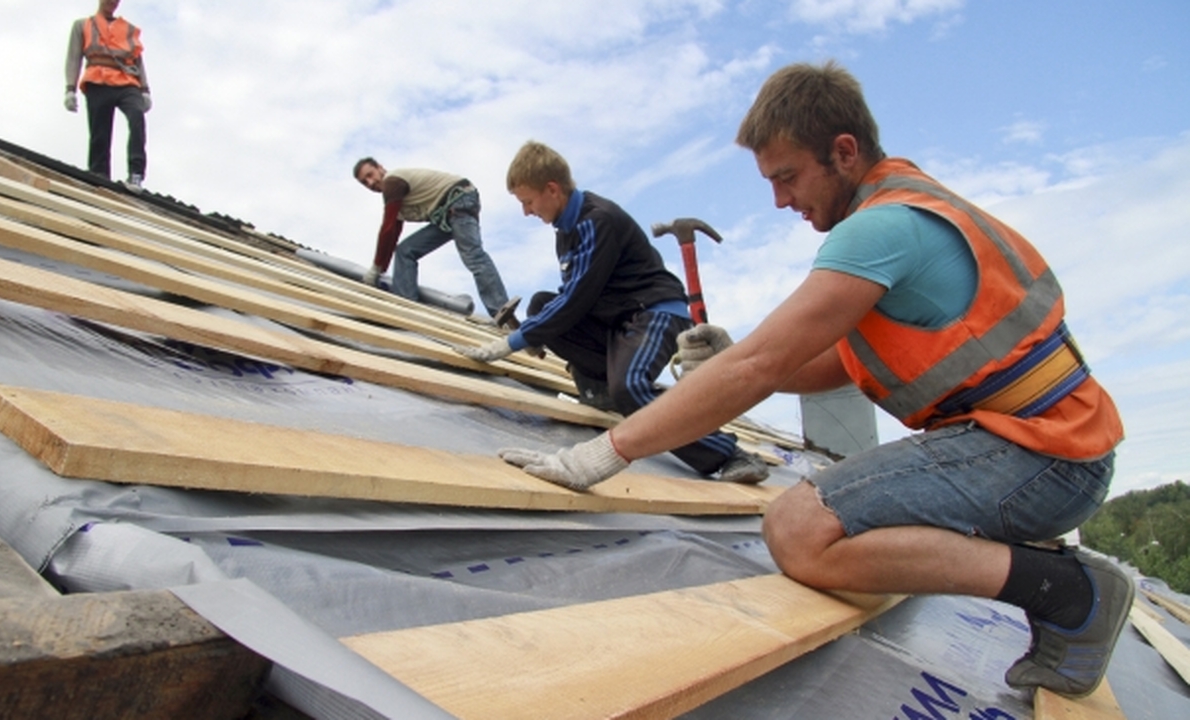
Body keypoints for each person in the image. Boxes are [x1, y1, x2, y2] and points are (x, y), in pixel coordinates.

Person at [497, 63, 1131, 699]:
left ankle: (1069, 593)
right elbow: (832, 363)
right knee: (825, 514)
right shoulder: (908, 202)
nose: (780, 200)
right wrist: (734, 356)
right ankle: (1055, 582)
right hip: (1051, 447)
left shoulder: (879, 229)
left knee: (799, 530)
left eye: (787, 177)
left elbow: (760, 368)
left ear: (844, 152)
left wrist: (606, 453)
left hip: (1041, 457)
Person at [457, 140, 770, 485]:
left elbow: (578, 297)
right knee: (542, 306)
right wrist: (539, 328)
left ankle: (729, 453)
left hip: (656, 314)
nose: (527, 212)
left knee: (631, 387)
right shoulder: (565, 231)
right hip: (619, 322)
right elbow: (569, 299)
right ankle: (605, 390)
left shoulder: (597, 220)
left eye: (528, 202)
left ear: (552, 189)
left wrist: (514, 341)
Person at [352, 158, 510, 318]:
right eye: (365, 182)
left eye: (370, 175)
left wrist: (375, 269)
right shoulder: (397, 201)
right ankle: (407, 307)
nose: (370, 182)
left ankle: (501, 311)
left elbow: (387, 229)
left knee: (473, 255)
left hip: (458, 200)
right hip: (445, 216)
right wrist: (380, 269)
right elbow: (392, 236)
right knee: (405, 251)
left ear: (380, 167)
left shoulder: (392, 182)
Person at [64, 0, 151, 191]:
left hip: (127, 81)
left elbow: (137, 60)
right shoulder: (83, 25)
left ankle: (136, 174)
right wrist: (70, 89)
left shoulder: (128, 29)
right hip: (98, 79)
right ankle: (99, 175)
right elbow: (74, 57)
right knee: (100, 131)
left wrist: (145, 90)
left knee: (137, 117)